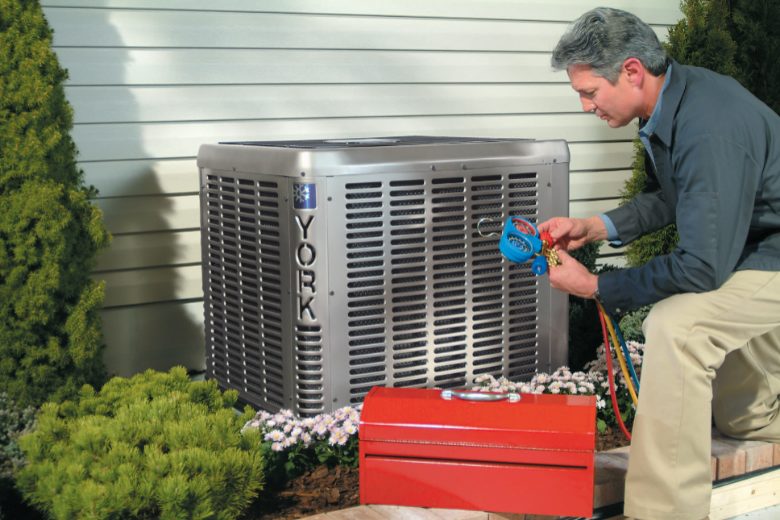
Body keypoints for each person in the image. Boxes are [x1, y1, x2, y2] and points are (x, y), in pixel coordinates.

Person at [541, 7, 780, 520]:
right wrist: (595, 226)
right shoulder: (675, 100)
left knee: (677, 326)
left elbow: (700, 268)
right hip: (749, 249)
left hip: (768, 256)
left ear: (631, 71)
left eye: (589, 92)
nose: (586, 107)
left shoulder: (707, 125)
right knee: (746, 419)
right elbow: (680, 196)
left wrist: (596, 287)